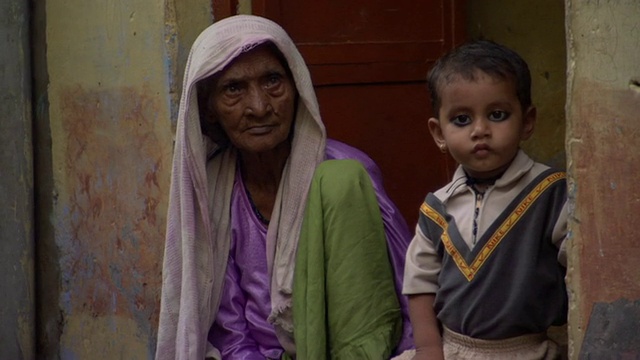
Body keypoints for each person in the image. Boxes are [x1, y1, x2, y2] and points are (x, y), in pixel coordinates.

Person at [155, 15, 414, 360]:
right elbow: (231, 333)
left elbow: (409, 294)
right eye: (234, 89)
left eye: (273, 81)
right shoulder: (215, 190)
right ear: (209, 109)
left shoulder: (347, 174)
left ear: (297, 89)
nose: (259, 107)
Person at [402, 40, 568, 360]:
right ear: (439, 133)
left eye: (497, 114)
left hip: (525, 351)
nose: (480, 130)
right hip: (451, 350)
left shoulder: (551, 194)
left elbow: (584, 272)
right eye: (462, 120)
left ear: (527, 121)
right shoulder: (437, 208)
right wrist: (428, 349)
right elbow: (421, 283)